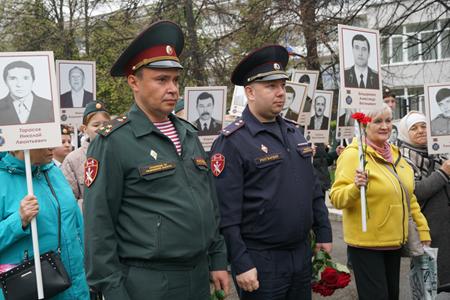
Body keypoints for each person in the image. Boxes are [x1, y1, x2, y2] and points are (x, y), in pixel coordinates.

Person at [83, 20, 229, 300]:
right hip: (149, 282)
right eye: (161, 80)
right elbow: (98, 229)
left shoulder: (188, 134)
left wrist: (218, 258)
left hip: (197, 276)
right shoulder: (112, 141)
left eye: (175, 79)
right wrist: (112, 290)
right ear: (134, 82)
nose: (173, 88)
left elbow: (210, 203)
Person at [210, 45, 332, 300]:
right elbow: (225, 212)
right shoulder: (232, 141)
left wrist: (323, 231)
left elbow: (312, 189)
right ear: (250, 92)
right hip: (262, 259)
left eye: (282, 86)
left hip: (300, 253)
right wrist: (240, 262)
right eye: (271, 87)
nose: (280, 93)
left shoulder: (293, 132)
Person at [330, 103, 431, 300]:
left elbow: (408, 196)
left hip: (394, 242)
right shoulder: (353, 155)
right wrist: (354, 187)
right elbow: (336, 197)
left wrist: (423, 230)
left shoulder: (396, 154)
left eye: (387, 121)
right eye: (377, 121)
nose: (385, 126)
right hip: (367, 245)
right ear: (365, 125)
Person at [0, 148, 89, 299]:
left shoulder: (53, 171)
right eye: (44, 142)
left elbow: (77, 224)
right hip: (32, 288)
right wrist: (18, 221)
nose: (52, 147)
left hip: (77, 285)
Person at [398, 111, 450, 296]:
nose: (420, 131)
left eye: (424, 126)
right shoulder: (402, 158)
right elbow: (414, 192)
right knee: (428, 288)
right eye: (414, 128)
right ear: (405, 132)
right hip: (426, 231)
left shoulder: (441, 152)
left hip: (446, 229)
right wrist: (443, 173)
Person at [61, 101, 110, 211]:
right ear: (84, 129)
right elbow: (68, 202)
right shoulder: (73, 159)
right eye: (96, 125)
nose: (102, 128)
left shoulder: (121, 152)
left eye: (106, 124)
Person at [0, 60, 54, 126]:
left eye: (25, 78)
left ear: (33, 80)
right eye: (13, 78)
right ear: (5, 81)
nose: (19, 84)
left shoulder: (50, 106)